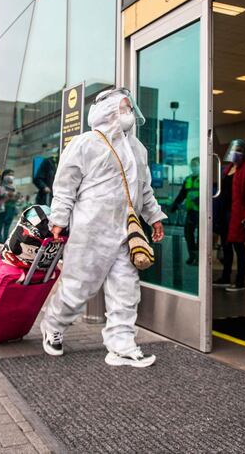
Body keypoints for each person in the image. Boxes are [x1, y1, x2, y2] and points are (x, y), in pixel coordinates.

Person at [40, 87, 166, 368]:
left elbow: (144, 189)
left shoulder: (137, 149)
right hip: (91, 232)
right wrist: (59, 220)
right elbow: (64, 187)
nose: (128, 114)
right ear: (107, 111)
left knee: (126, 290)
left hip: (126, 233)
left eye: (129, 109)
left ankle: (121, 345)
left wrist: (154, 217)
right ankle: (53, 325)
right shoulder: (85, 143)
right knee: (77, 287)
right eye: (123, 108)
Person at [214, 139, 245, 292]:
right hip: (224, 212)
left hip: (237, 214)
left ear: (244, 153)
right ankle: (225, 277)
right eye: (234, 149)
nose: (235, 152)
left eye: (239, 150)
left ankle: (240, 281)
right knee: (226, 246)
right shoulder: (227, 169)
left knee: (239, 246)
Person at [171, 157, 200, 265]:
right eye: (192, 165)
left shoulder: (204, 178)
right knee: (188, 234)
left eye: (196, 165)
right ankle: (192, 255)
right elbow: (182, 194)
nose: (194, 167)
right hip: (191, 210)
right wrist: (175, 205)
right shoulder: (188, 179)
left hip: (201, 212)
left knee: (201, 236)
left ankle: (199, 257)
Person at [0, 169, 19, 243]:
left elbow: (15, 198)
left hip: (11, 208)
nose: (11, 177)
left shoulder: (13, 186)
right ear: (4, 176)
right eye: (10, 174)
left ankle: (5, 240)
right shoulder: (0, 186)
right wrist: (9, 196)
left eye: (13, 175)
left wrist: (14, 197)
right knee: (0, 224)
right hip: (3, 208)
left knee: (7, 226)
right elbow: (0, 196)